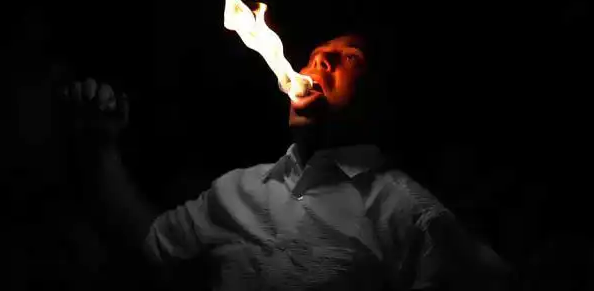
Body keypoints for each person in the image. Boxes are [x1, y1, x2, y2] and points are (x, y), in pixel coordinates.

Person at [63, 33, 514, 290]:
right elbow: (147, 246)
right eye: (317, 56)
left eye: (350, 58)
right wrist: (101, 149)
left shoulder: (406, 212)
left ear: (379, 103)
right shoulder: (237, 189)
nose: (322, 59)